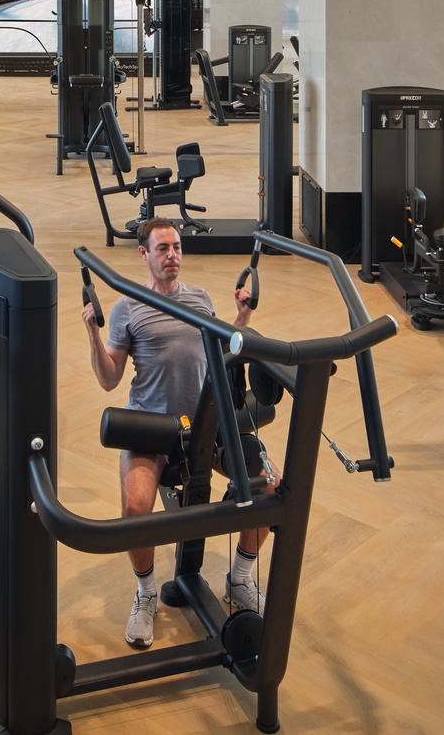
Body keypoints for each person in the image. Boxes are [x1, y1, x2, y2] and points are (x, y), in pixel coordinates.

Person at [82, 217, 273, 650]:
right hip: (153, 424)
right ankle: (146, 593)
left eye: (177, 247)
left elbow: (221, 347)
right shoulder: (128, 306)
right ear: (144, 254)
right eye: (163, 248)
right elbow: (109, 379)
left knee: (270, 487)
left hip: (209, 421)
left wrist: (241, 316)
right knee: (135, 507)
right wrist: (91, 335)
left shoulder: (200, 299)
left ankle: (240, 579)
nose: (173, 255)